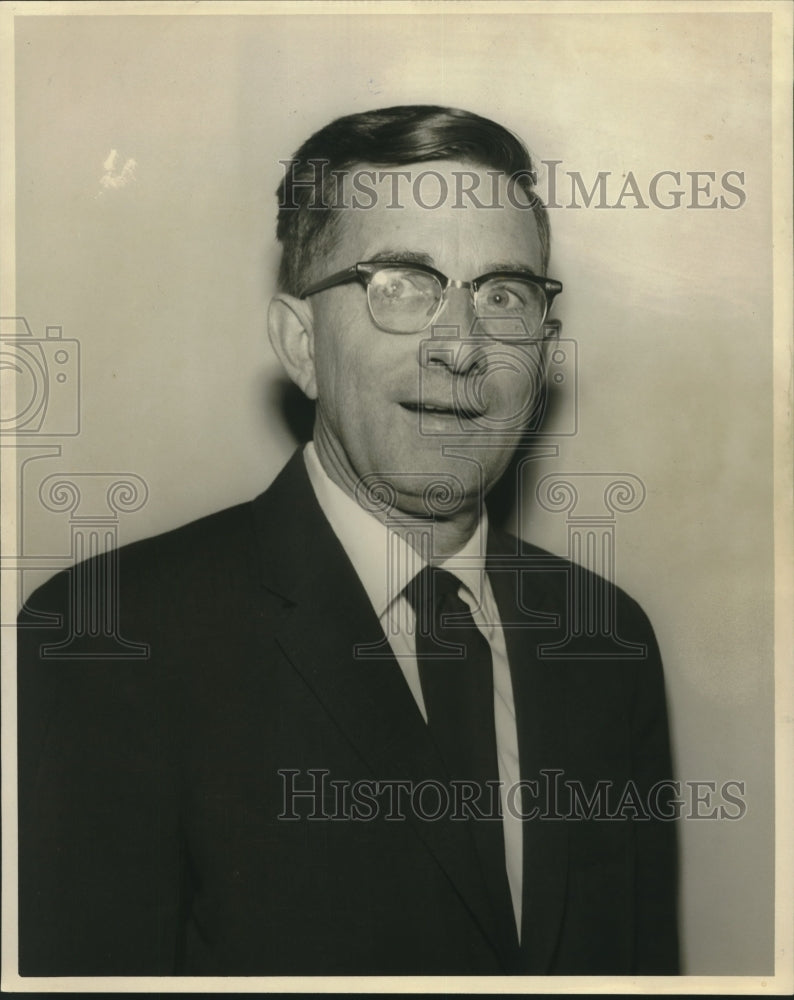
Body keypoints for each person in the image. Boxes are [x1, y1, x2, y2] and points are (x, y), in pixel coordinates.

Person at [17, 105, 678, 976]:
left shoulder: (609, 639)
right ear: (301, 344)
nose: (460, 346)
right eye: (401, 284)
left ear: (543, 351)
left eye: (503, 295)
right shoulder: (110, 640)